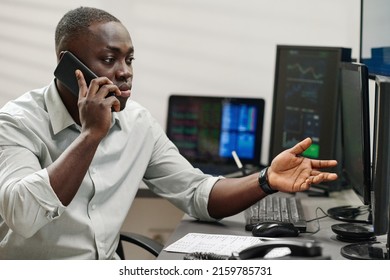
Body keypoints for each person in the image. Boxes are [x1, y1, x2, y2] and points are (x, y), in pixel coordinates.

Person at [0, 7, 338, 260]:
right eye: (109, 59)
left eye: (130, 60)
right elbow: (24, 216)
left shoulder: (137, 123)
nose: (125, 72)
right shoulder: (16, 123)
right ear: (66, 64)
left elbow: (196, 193)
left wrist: (266, 179)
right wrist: (91, 135)